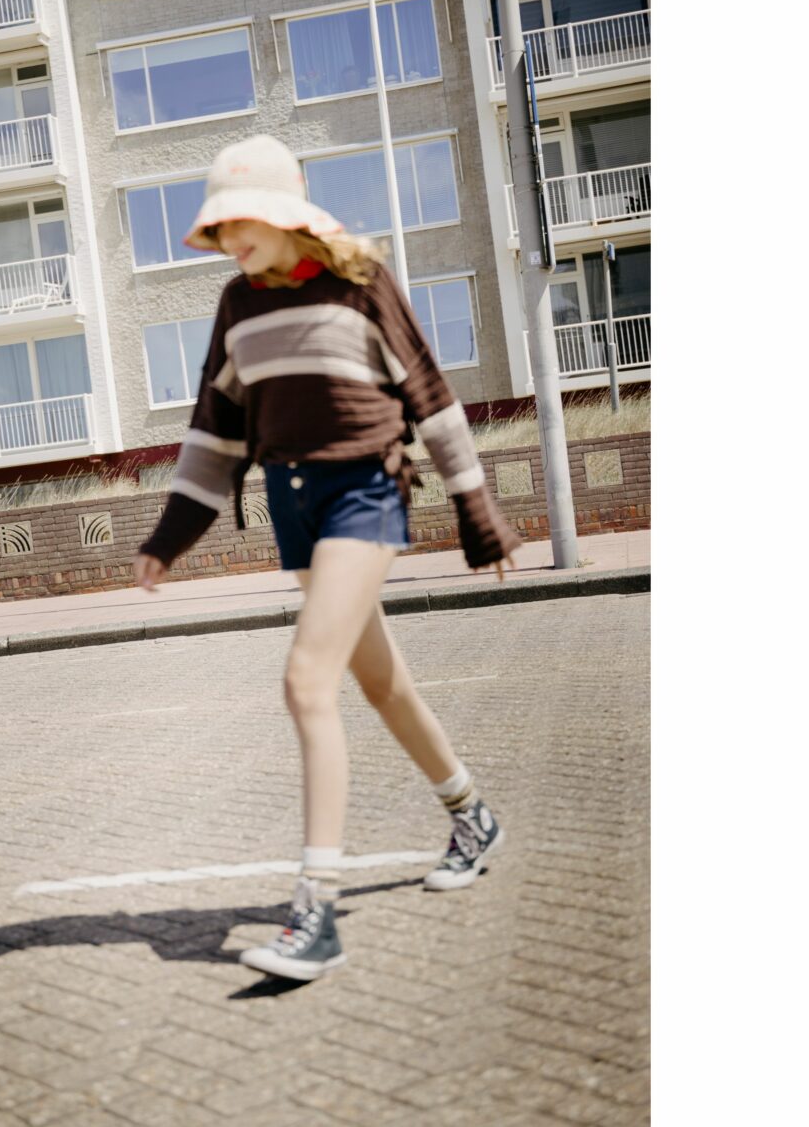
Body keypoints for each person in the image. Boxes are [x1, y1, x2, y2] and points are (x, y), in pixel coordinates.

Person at [132, 134, 521, 983]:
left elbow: (429, 392)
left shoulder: (362, 280)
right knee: (383, 684)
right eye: (219, 223)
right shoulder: (237, 305)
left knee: (307, 680)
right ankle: (471, 814)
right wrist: (167, 539)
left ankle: (316, 913)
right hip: (293, 503)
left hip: (364, 494)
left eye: (240, 218)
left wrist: (476, 507)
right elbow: (216, 429)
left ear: (281, 213)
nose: (229, 237)